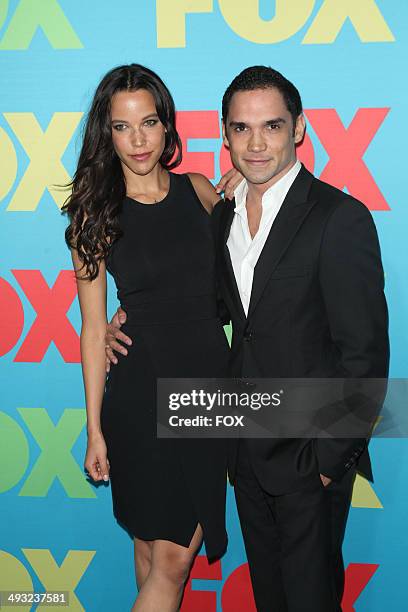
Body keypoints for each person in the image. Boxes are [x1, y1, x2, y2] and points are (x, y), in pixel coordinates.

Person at [106, 66, 389, 611]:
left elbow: (366, 358)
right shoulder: (223, 216)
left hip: (311, 457)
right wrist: (117, 320)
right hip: (244, 446)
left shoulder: (339, 217)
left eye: (272, 126)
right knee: (270, 600)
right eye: (241, 129)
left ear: (299, 128)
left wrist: (328, 463)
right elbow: (205, 306)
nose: (256, 143)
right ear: (224, 133)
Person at [62, 63, 238, 612]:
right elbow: (94, 330)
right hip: (139, 395)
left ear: (167, 126)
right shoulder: (96, 212)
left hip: (206, 390)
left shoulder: (202, 190)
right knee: (159, 554)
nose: (138, 140)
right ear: (105, 133)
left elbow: (246, 275)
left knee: (163, 558)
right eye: (122, 126)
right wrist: (94, 430)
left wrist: (244, 190)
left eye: (149, 122)